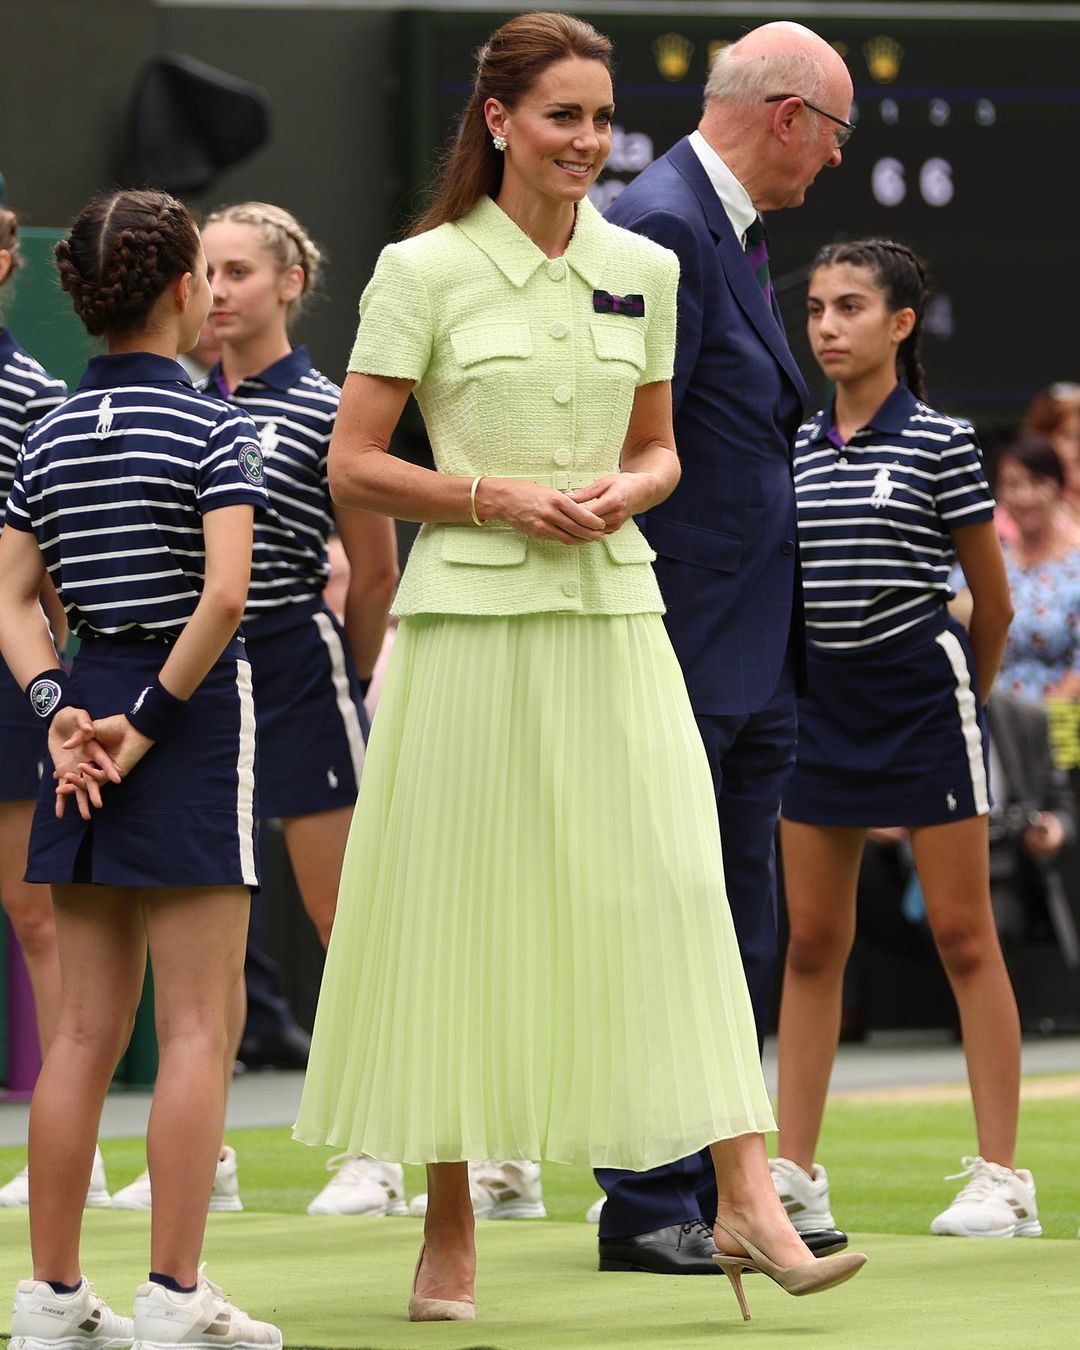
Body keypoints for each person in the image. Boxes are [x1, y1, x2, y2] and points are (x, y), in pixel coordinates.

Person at [292, 10, 865, 1325]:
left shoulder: (640, 267)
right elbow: (354, 464)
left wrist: (632, 485)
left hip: (615, 617)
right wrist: (496, 499)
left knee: (674, 887)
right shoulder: (420, 270)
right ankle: (447, 1228)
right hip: (465, 632)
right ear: (498, 122)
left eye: (602, 120)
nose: (589, 142)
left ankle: (745, 1193)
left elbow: (663, 447)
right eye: (564, 116)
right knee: (456, 909)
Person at [0, 187, 281, 1349]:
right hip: (187, 715)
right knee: (200, 1027)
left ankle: (52, 1297)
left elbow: (14, 602)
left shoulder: (49, 429)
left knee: (79, 1036)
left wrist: (63, 714)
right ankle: (173, 1297)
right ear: (183, 291)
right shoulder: (218, 427)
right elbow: (224, 595)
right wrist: (150, 723)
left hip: (86, 715)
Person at [595, 21, 854, 1269]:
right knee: (672, 921)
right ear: (792, 116)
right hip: (686, 645)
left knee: (736, 925)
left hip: (746, 649)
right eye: (838, 134)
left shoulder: (723, 230)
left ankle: (721, 1190)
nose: (837, 165)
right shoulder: (661, 225)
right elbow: (632, 446)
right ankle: (651, 1202)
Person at [773, 237, 1035, 1239]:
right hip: (819, 709)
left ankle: (1005, 1179)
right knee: (810, 942)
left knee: (966, 937)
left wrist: (970, 700)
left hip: (924, 702)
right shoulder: (790, 445)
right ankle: (794, 1171)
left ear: (900, 324)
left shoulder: (944, 442)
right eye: (817, 310)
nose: (829, 326)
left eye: (850, 308)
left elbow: (994, 604)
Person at [0, 207, 113, 1210]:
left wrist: (53, 691)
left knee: (36, 917)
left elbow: (48, 573)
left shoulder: (37, 397)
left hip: (9, 685)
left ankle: (69, 1156)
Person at [990, 437, 1080, 703]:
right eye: (1013, 484)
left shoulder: (1074, 570)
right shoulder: (987, 568)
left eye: (1036, 482)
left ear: (1059, 488)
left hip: (1064, 722)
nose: (1024, 496)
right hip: (995, 725)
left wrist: (1043, 724)